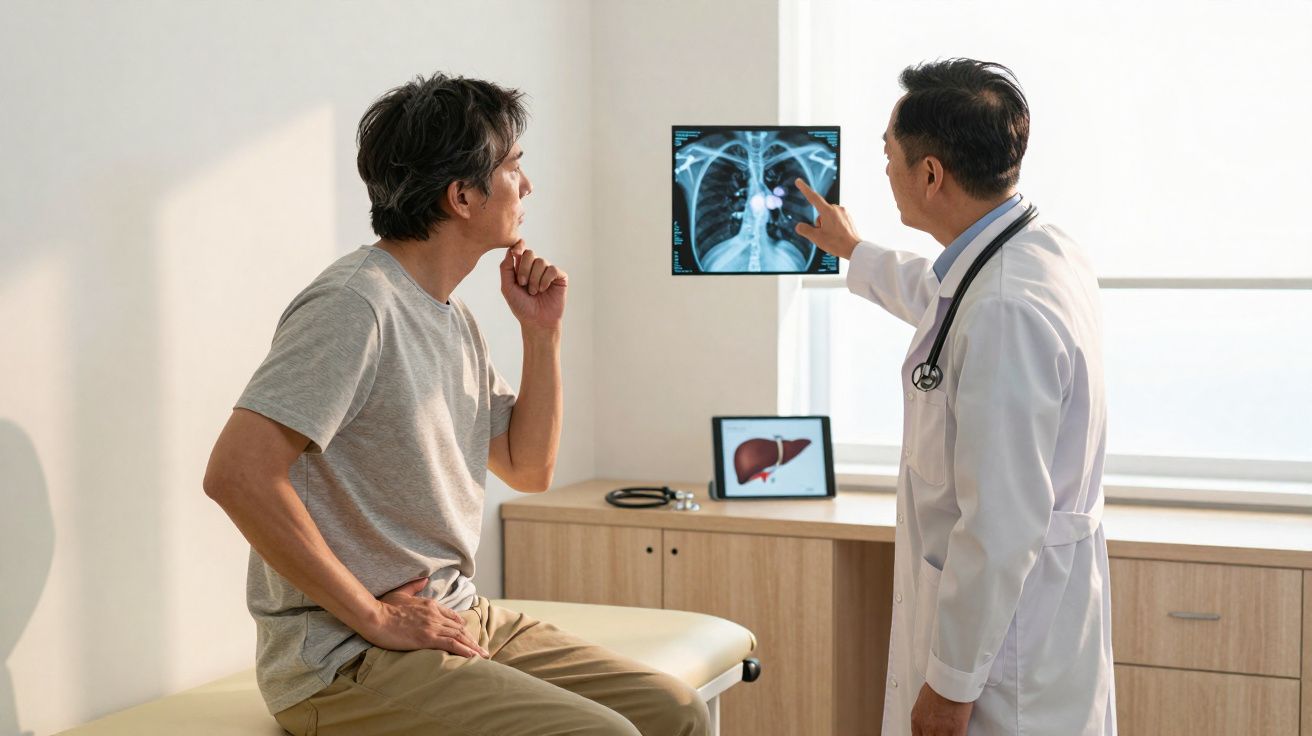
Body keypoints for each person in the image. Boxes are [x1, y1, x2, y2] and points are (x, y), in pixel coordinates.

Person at [203, 72, 708, 736]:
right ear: (463, 196)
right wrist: (374, 615)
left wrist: (542, 335)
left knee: (676, 712)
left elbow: (530, 468)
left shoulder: (450, 317)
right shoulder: (355, 305)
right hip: (345, 659)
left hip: (459, 616)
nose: (527, 188)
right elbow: (237, 474)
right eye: (514, 169)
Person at [795, 58, 1115, 735]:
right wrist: (853, 249)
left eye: (889, 154)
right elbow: (943, 295)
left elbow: (999, 524)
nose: (885, 171)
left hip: (1005, 669)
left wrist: (950, 686)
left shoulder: (1002, 312)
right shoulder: (1036, 250)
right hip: (1036, 628)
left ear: (931, 173)